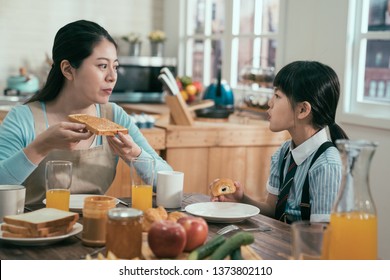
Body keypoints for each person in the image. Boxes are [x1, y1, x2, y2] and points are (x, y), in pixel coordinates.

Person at [0, 20, 172, 204]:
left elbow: (168, 181)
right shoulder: (23, 118)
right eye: (102, 66)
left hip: (95, 225)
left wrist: (135, 155)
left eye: (115, 66)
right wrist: (41, 146)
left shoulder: (114, 116)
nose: (113, 77)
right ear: (68, 69)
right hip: (33, 229)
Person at [211, 61, 349, 223]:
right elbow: (273, 210)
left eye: (277, 96)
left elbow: (322, 238)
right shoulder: (283, 153)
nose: (270, 103)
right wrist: (241, 199)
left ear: (303, 110)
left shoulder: (326, 165)